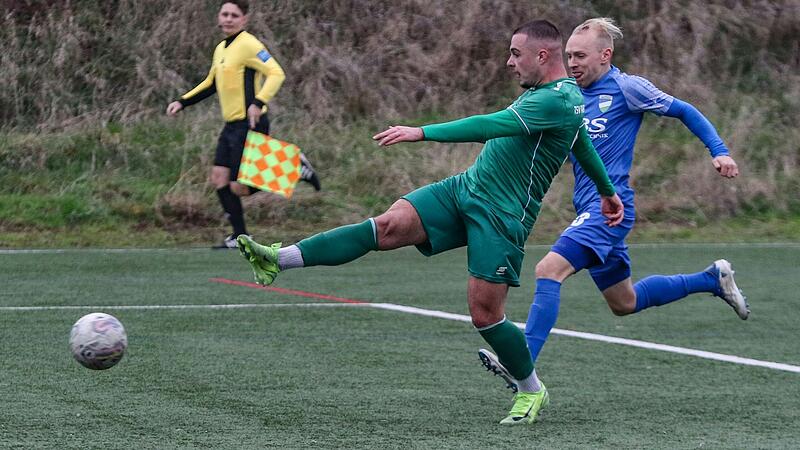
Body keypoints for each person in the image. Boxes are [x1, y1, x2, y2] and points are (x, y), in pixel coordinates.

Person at [237, 19, 624, 425]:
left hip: (502, 216)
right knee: (386, 226)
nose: (509, 62)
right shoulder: (559, 96)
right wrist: (606, 191)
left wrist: (420, 132)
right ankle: (279, 260)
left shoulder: (556, 100)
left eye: (515, 53)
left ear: (541, 56)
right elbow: (580, 140)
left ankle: (531, 389)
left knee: (485, 314)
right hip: (465, 189)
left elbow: (488, 125)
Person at [478, 17, 750, 414]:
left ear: (605, 56)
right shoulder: (565, 95)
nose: (572, 62)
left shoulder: (627, 88)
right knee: (625, 302)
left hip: (610, 210)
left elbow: (686, 111)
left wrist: (719, 150)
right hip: (590, 210)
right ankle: (711, 279)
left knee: (548, 270)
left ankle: (522, 363)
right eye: (568, 55)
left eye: (580, 55)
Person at [166, 0, 321, 249]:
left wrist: (259, 102)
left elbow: (276, 72)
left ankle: (293, 166)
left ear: (244, 19)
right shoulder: (221, 49)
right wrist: (182, 102)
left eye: (234, 15)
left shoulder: (249, 44)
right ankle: (240, 237)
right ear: (219, 17)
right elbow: (211, 82)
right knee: (219, 178)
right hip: (231, 126)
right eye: (225, 14)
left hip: (250, 124)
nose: (228, 19)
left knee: (239, 187)